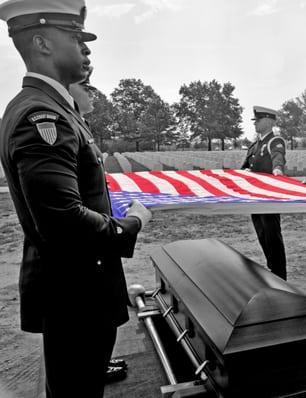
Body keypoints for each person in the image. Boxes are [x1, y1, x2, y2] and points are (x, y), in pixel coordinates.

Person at [0, 1, 151, 397]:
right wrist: (132, 222)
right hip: (76, 294)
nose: (86, 50)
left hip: (75, 289)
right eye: (75, 38)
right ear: (41, 43)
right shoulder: (40, 116)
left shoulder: (48, 109)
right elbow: (63, 219)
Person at [68, 71, 129, 384]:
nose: (91, 92)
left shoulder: (76, 120)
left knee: (100, 326)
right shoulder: (56, 120)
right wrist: (124, 226)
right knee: (89, 332)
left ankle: (99, 363)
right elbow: (66, 206)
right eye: (85, 87)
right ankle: (96, 366)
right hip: (87, 248)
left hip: (96, 244)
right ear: (71, 88)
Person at [241, 106, 287, 279]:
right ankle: (273, 271)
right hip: (255, 199)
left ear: (269, 121)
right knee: (262, 236)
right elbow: (245, 167)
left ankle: (280, 276)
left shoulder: (274, 141)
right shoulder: (254, 146)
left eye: (258, 120)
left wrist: (277, 170)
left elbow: (278, 157)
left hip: (268, 199)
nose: (255, 123)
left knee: (272, 238)